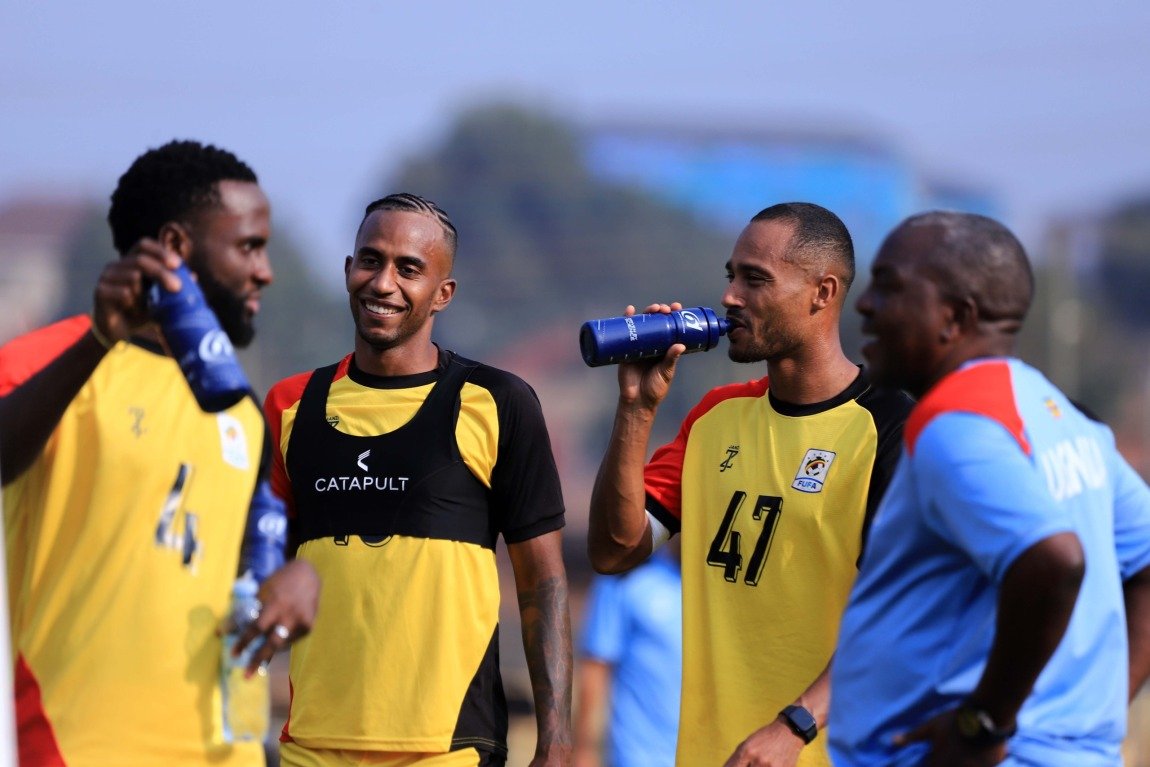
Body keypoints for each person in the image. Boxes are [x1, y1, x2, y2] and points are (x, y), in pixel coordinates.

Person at [0, 140, 320, 766]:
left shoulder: (239, 411)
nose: (266, 271)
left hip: (219, 754)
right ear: (176, 247)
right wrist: (98, 339)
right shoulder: (51, 363)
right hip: (75, 746)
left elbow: (234, 568)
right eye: (249, 246)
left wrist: (296, 578)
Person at [587, 202, 913, 767]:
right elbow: (615, 552)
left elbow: (909, 612)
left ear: (822, 292)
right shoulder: (716, 416)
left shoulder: (891, 429)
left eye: (755, 279)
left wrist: (796, 726)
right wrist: (636, 410)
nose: (731, 296)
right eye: (730, 276)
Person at [828, 211, 1150, 767]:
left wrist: (984, 724)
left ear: (953, 318)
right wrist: (1088, 719)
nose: (865, 304)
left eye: (890, 285)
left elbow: (1052, 558)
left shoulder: (956, 425)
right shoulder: (1063, 418)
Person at [264, 193, 572, 767]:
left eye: (409, 268)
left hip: (447, 749)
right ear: (347, 270)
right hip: (311, 746)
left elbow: (543, 582)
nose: (383, 283)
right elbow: (258, 565)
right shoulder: (289, 405)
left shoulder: (497, 402)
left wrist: (555, 742)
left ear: (443, 293)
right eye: (369, 260)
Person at [573, 540, 682, 767]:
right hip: (638, 758)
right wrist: (584, 751)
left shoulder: (728, 586)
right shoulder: (626, 574)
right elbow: (596, 668)